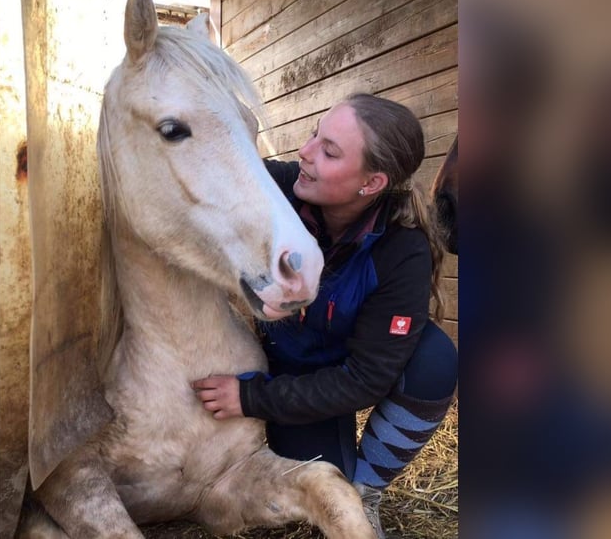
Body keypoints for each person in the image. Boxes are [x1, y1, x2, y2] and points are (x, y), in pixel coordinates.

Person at [192, 93, 459, 538]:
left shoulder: (401, 249)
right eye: (316, 133)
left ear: (371, 184)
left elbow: (366, 379)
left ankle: (367, 489)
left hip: (338, 374)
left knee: (434, 359)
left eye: (329, 151)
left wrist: (249, 399)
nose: (305, 152)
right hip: (282, 367)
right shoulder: (277, 185)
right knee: (313, 480)